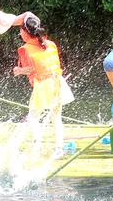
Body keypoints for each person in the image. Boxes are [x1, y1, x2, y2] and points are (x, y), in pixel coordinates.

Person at [12, 15, 75, 156]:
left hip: (43, 84)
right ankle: (59, 148)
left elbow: (32, 69)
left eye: (21, 30)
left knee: (33, 116)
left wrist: (19, 71)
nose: (19, 33)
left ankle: (38, 146)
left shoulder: (25, 49)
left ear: (27, 32)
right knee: (56, 117)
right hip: (57, 81)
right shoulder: (50, 44)